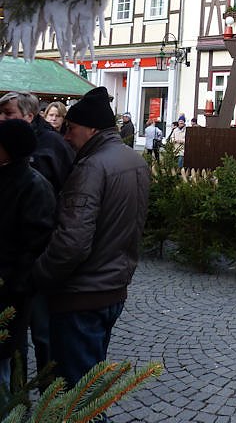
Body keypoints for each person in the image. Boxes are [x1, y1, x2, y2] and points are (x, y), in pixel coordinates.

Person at [32, 86, 150, 390]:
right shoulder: (132, 159)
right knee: (89, 385)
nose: (67, 136)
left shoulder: (91, 167)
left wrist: (38, 275)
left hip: (81, 296)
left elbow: (72, 243)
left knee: (76, 396)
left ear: (91, 128)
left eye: (71, 129)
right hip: (112, 288)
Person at [0, 91, 74, 380]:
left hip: (28, 276)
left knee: (40, 334)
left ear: (29, 116)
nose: (2, 119)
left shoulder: (37, 171)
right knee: (13, 346)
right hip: (14, 276)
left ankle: (46, 394)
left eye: (8, 114)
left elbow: (40, 235)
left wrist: (21, 280)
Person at [0, 119, 56, 391]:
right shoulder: (7, 176)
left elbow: (36, 244)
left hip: (11, 293)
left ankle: (15, 407)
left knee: (13, 356)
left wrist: (16, 285)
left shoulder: (34, 185)